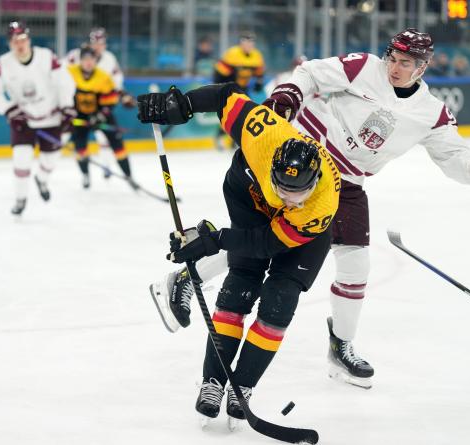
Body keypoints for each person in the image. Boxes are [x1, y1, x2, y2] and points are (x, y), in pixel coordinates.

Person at [263, 28, 470, 388]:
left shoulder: (430, 113)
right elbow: (311, 72)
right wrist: (289, 91)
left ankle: (341, 346)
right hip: (309, 160)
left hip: (349, 181)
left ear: (423, 67)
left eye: (406, 63)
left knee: (355, 262)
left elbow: (453, 155)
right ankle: (187, 276)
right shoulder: (364, 67)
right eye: (393, 59)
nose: (395, 68)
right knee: (268, 241)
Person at [136, 82, 340, 425]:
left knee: (280, 298)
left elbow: (266, 244)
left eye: (298, 192)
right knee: (240, 284)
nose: (288, 198)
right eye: (282, 187)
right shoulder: (264, 135)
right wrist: (182, 103)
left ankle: (242, 385)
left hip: (299, 237)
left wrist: (215, 240)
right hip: (248, 196)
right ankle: (213, 381)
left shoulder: (319, 205)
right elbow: (225, 96)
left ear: (314, 180)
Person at [0, 21, 75, 215]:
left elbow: (64, 82)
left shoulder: (46, 57)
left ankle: (41, 179)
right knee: (21, 159)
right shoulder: (1, 65)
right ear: (9, 43)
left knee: (50, 161)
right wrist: (9, 110)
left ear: (29, 40)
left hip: (51, 119)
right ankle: (20, 198)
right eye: (15, 40)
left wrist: (67, 107)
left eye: (23, 39)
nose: (20, 44)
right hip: (23, 121)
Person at [65, 27, 134, 176]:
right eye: (95, 43)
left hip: (101, 104)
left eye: (101, 43)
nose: (97, 46)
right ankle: (85, 173)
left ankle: (107, 166)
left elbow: (116, 84)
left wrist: (122, 96)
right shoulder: (75, 56)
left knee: (106, 137)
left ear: (105, 45)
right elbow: (61, 74)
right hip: (79, 106)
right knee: (79, 141)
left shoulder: (109, 59)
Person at [213, 31, 266, 150]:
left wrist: (259, 82)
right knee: (229, 113)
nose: (249, 45)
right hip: (229, 87)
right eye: (246, 42)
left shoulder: (256, 55)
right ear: (241, 43)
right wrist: (222, 88)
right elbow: (219, 73)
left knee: (244, 114)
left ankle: (235, 140)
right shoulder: (232, 54)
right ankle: (220, 137)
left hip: (244, 87)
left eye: (251, 43)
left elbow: (260, 72)